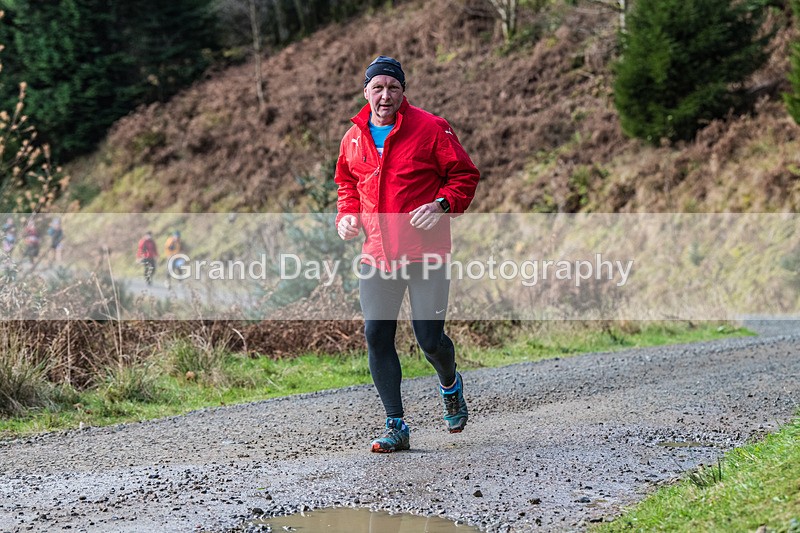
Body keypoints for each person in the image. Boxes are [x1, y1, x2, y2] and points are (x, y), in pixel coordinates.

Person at [335, 56, 480, 452]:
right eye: (378, 87)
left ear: (403, 91)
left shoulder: (432, 128)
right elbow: (347, 181)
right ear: (366, 91)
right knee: (376, 334)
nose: (385, 95)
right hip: (377, 256)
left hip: (425, 255)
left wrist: (441, 205)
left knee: (429, 340)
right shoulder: (353, 138)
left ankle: (450, 384)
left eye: (393, 88)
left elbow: (465, 175)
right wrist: (346, 216)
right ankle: (395, 424)